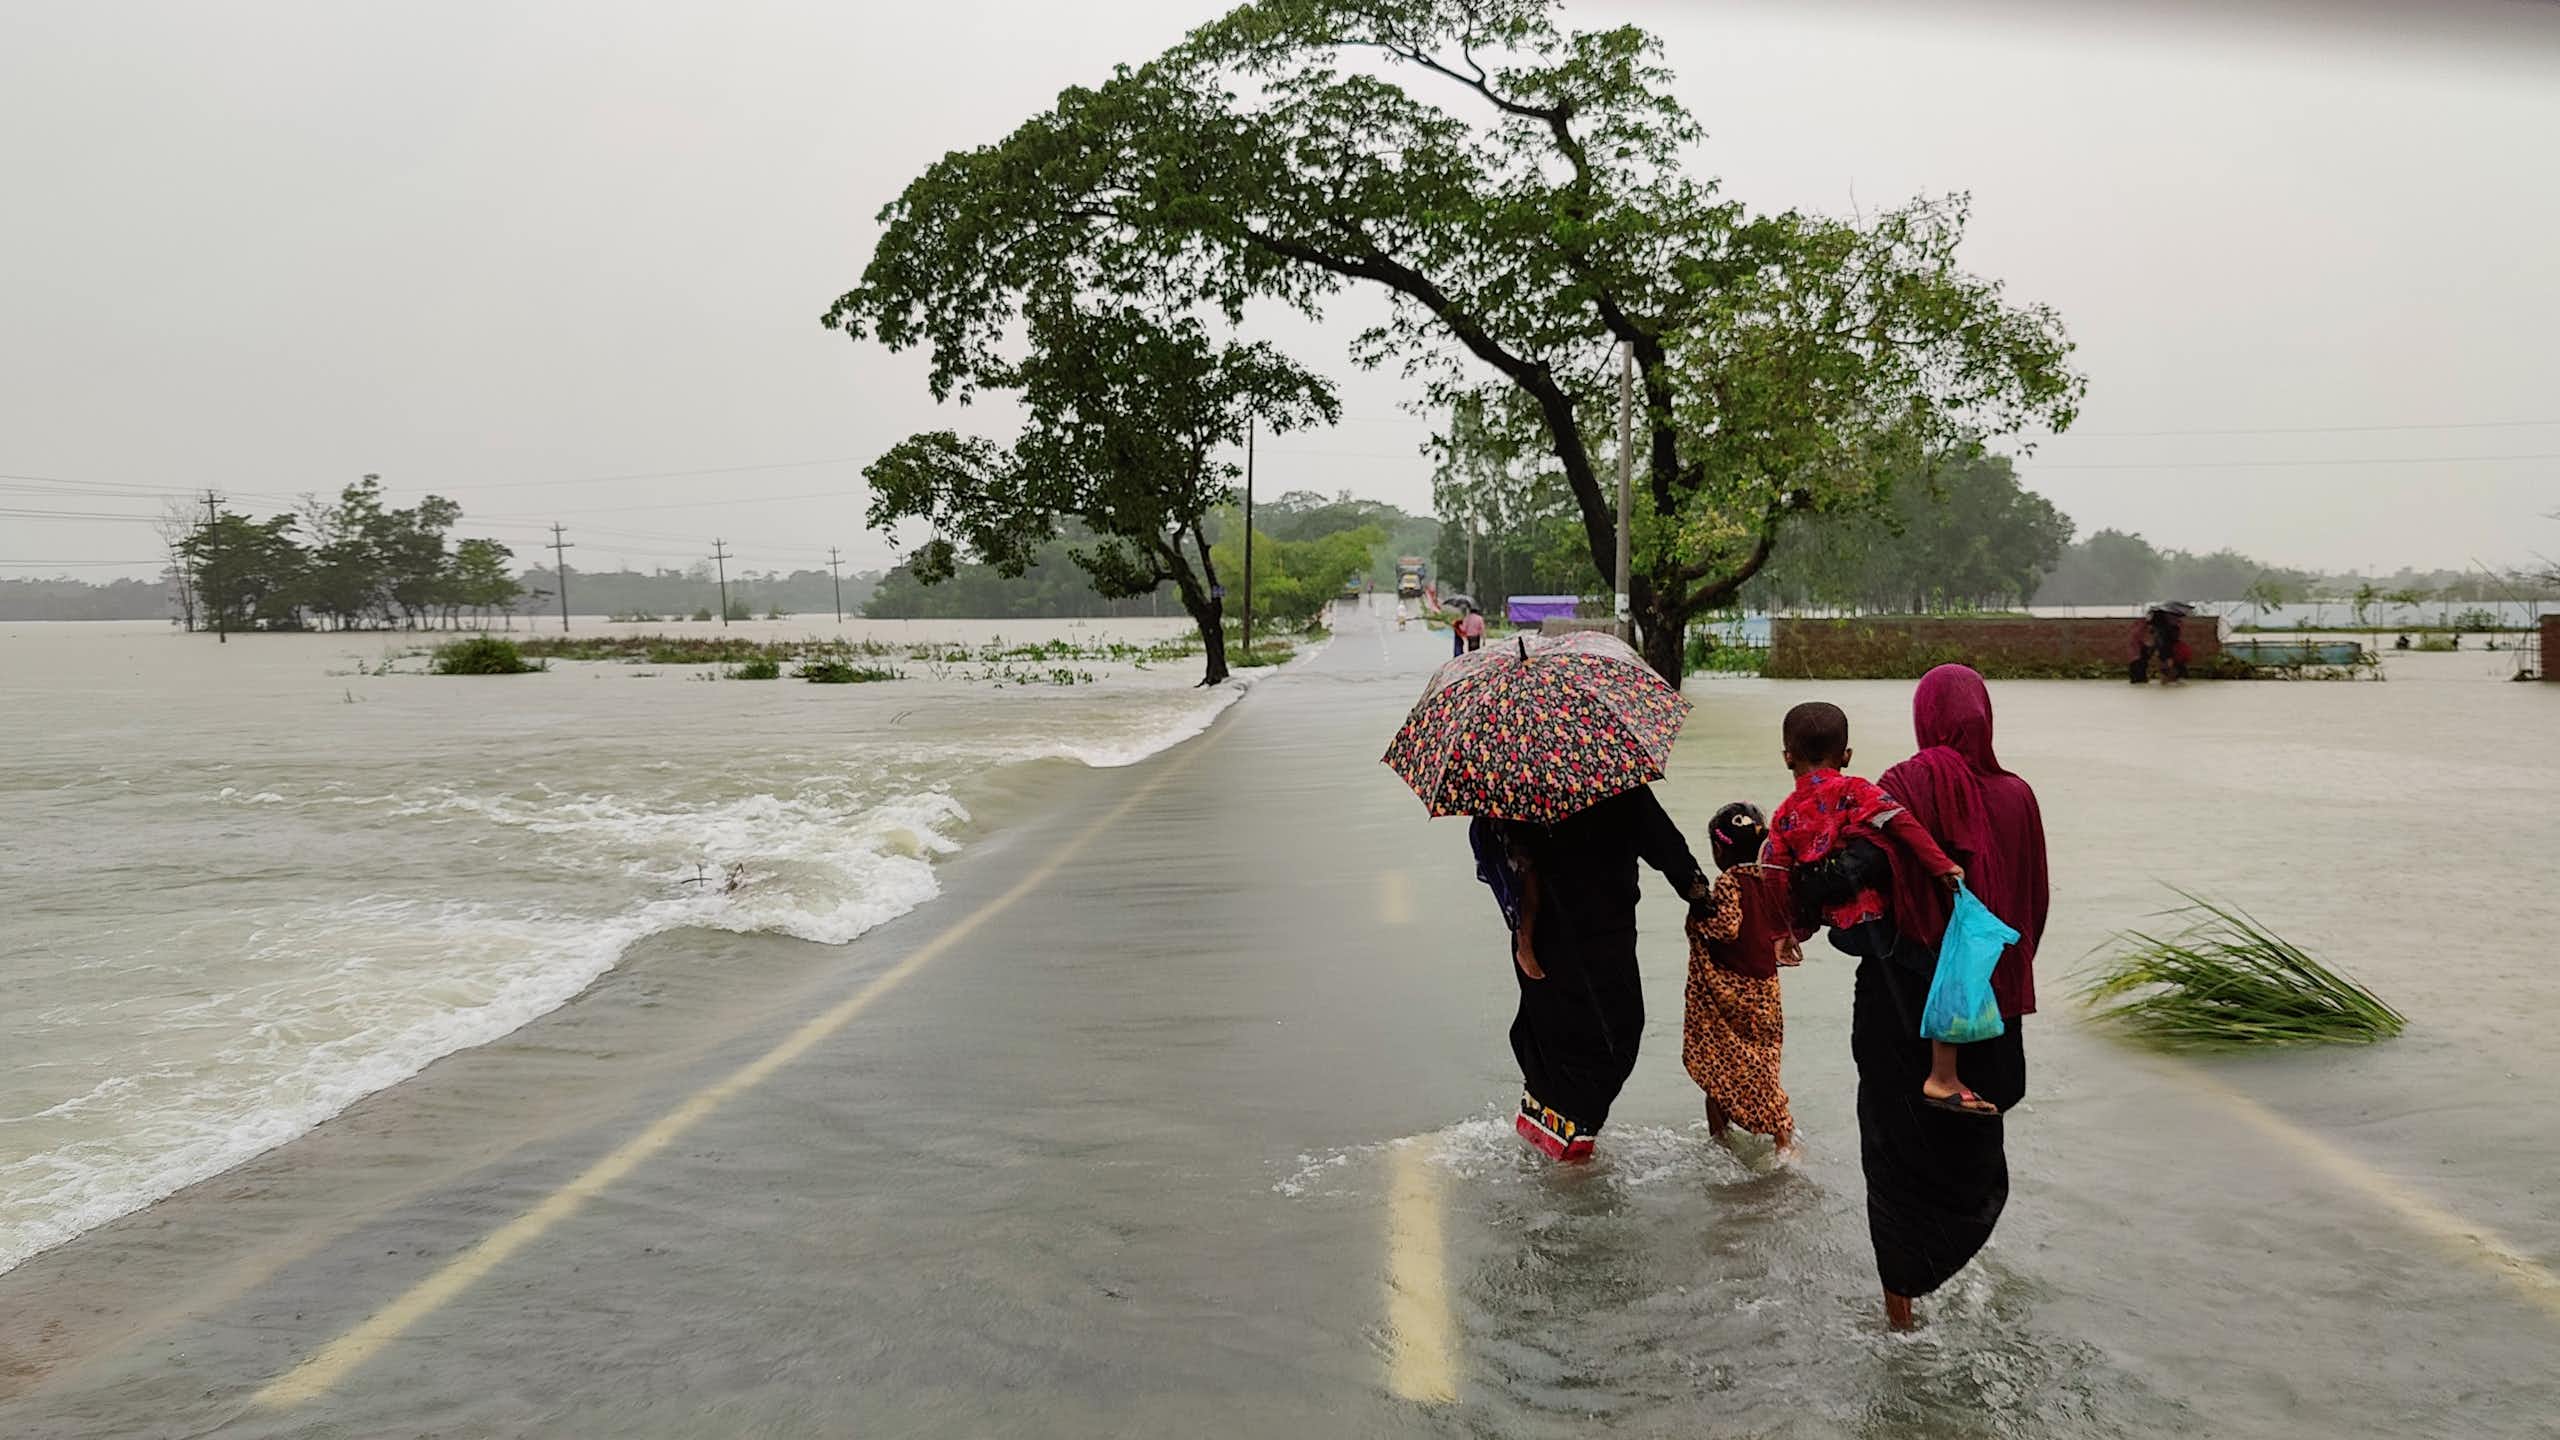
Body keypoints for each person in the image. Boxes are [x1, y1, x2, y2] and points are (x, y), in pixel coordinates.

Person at [1859, 664, 2051, 1330]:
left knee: (1893, 1159)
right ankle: (1953, 1281)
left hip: (1899, 1007)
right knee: (1966, 1157)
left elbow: (1865, 908)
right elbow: (2032, 904)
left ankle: (1900, 1317)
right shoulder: (2019, 796)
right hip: (1990, 1011)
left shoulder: (1898, 788)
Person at [1762, 702, 1977, 1115]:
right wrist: (1942, 866)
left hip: (1839, 929)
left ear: (1787, 755)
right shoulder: (1854, 790)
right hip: (1879, 923)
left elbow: (1774, 873)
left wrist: (1781, 934)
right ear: (1846, 756)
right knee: (1938, 973)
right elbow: (1902, 824)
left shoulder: (1784, 815)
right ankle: (1943, 1074)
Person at [1477, 785, 1709, 1163]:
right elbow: (1664, 843)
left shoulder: (1509, 790)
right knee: (1608, 1040)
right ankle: (1576, 1151)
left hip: (1535, 941)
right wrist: (1700, 897)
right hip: (1601, 939)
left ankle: (1548, 1135)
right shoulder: (1611, 778)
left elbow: (1501, 862)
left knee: (1550, 1038)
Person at [1682, 802, 1801, 1157]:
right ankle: (1781, 1143)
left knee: (1716, 1065)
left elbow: (1725, 927)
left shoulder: (1730, 881)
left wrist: (1698, 914)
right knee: (1764, 1063)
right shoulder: (1771, 880)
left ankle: (1721, 1141)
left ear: (1718, 850)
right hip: (1766, 992)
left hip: (1733, 995)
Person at [2125, 618, 2153, 684]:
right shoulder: (2140, 628)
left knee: (2137, 679)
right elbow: (2138, 638)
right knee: (2139, 678)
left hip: (2135, 658)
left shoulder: (2136, 627)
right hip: (2137, 658)